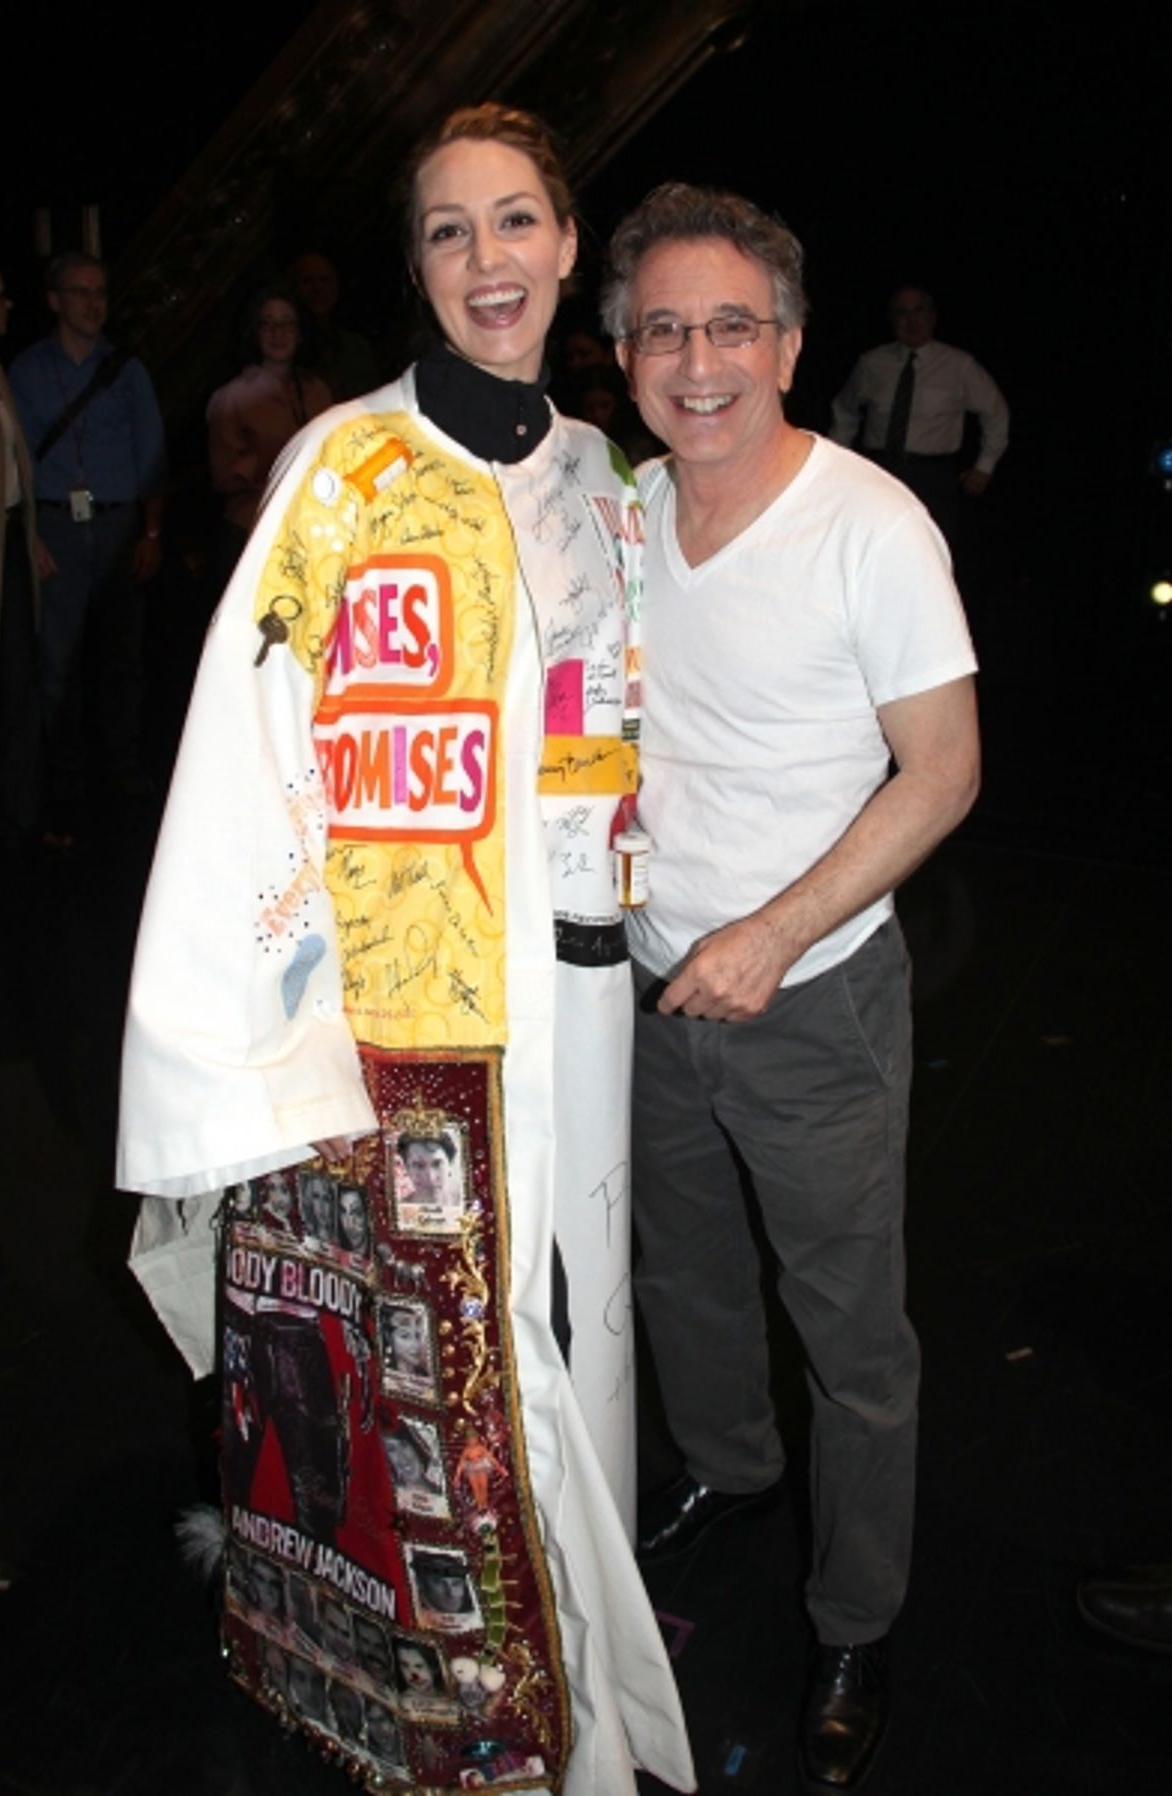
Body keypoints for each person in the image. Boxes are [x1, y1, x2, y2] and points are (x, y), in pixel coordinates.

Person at [118, 103, 693, 1796]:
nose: (488, 260)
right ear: (418, 268)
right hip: (408, 1015)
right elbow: (250, 749)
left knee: (577, 1320)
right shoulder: (345, 470)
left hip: (579, 989)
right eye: (449, 232)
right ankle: (508, 1721)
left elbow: (628, 726)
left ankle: (583, 1665)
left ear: (570, 243)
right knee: (465, 1347)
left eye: (516, 222)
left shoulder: (599, 478)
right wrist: (251, 1040)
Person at [603, 183, 980, 1795]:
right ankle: (734, 1474)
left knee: (851, 1335)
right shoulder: (624, 512)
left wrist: (771, 928)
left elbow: (946, 769)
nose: (701, 363)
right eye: (665, 330)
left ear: (792, 343)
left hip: (811, 995)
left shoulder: (873, 525)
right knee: (684, 1274)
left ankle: (854, 1615)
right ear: (622, 352)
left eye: (732, 327)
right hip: (647, 982)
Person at [9, 252, 165, 842]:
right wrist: (30, 536)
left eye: (100, 292)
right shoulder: (24, 371)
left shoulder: (127, 370)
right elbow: (16, 459)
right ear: (54, 299)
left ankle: (121, 765)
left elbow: (151, 456)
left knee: (122, 654)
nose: (92, 303)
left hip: (118, 523)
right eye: (80, 292)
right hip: (57, 528)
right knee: (58, 659)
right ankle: (62, 771)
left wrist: (152, 531)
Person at [829, 284, 1008, 548]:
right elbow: (845, 411)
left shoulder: (959, 365)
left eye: (918, 311)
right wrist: (836, 461)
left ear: (932, 317)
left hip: (933, 477)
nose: (910, 320)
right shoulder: (872, 363)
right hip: (880, 470)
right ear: (891, 319)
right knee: (872, 545)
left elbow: (996, 413)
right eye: (901, 313)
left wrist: (984, 467)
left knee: (930, 551)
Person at [0, 257, 44, 848]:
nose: (7, 304)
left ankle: (18, 829)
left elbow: (14, 470)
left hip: (9, 548)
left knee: (20, 689)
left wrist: (32, 536)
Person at [205, 284, 332, 585]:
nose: (278, 333)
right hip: (252, 531)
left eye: (287, 324)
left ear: (300, 332)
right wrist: (272, 460)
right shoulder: (232, 398)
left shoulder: (318, 391)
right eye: (268, 324)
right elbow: (223, 476)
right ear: (255, 331)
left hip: (310, 528)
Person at [290, 251, 379, 402]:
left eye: (324, 280)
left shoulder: (357, 347)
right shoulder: (287, 357)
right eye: (307, 281)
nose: (317, 288)